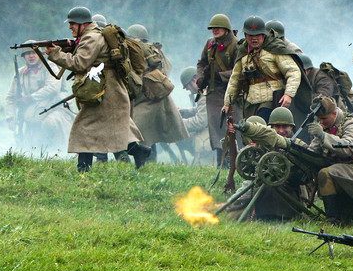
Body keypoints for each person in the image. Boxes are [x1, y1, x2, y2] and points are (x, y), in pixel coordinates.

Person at [44, 6, 149, 172]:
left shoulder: (91, 38)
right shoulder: (93, 35)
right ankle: (139, 152)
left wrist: (55, 53)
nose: (70, 27)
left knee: (84, 127)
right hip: (108, 89)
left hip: (104, 90)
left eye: (72, 23)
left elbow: (79, 63)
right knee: (112, 128)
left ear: (82, 24)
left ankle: (83, 169)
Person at [222, 16, 308, 127]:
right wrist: (227, 103)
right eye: (250, 35)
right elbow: (235, 80)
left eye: (257, 35)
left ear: (263, 35)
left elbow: (293, 71)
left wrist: (288, 94)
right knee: (250, 133)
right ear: (245, 36)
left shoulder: (274, 48)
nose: (254, 38)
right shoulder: (243, 53)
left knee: (261, 128)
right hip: (250, 102)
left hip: (272, 100)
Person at [125, 24, 189, 161]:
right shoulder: (154, 51)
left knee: (140, 132)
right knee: (147, 134)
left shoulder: (142, 52)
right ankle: (147, 162)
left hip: (148, 99)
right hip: (154, 98)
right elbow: (166, 69)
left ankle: (145, 163)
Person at [5, 42, 68, 153]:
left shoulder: (50, 66)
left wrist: (30, 98)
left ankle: (59, 151)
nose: (31, 56)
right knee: (30, 148)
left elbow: (53, 88)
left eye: (34, 53)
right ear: (23, 57)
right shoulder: (20, 73)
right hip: (34, 112)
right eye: (27, 53)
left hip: (56, 108)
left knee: (50, 123)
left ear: (40, 54)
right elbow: (11, 98)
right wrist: (11, 117)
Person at [195, 13, 239, 162]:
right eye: (213, 28)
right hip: (213, 92)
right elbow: (201, 63)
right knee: (216, 126)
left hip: (231, 91)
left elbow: (239, 70)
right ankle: (221, 159)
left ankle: (232, 160)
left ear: (226, 29)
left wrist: (221, 75)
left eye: (218, 27)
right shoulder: (209, 44)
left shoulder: (236, 45)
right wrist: (201, 77)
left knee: (232, 126)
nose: (215, 30)